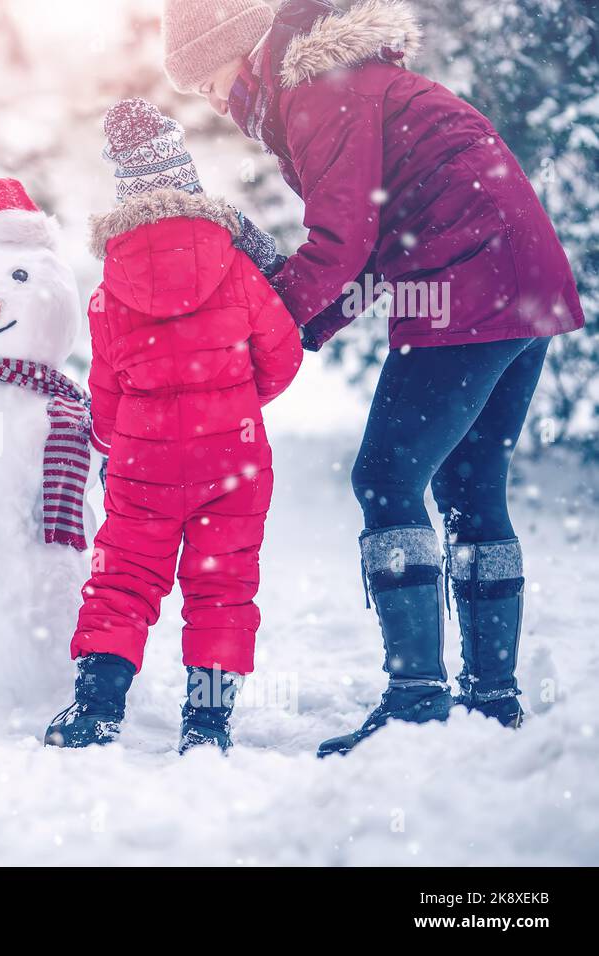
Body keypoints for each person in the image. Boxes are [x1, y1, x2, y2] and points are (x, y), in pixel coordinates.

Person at [161, 0, 585, 755]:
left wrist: (262, 334)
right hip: (520, 285)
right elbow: (368, 249)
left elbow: (343, 243)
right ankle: (491, 703)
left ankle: (416, 698)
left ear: (243, 48)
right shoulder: (340, 83)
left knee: (386, 476)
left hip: (471, 285)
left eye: (212, 82)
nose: (217, 105)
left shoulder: (321, 90)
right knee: (468, 486)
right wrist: (296, 320)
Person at [45, 98, 302, 753]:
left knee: (124, 577)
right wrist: (236, 400)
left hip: (143, 463)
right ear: (187, 181)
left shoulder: (111, 285)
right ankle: (207, 722)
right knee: (223, 586)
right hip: (233, 461)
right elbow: (283, 354)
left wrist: (113, 437)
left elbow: (106, 388)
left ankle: (96, 708)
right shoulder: (238, 265)